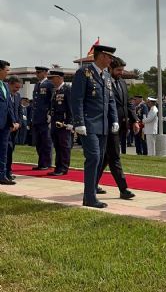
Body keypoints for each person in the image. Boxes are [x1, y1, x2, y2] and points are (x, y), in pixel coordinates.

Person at [71, 44, 119, 208]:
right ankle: (90, 197)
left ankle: (89, 195)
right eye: (109, 56)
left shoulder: (106, 76)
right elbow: (76, 99)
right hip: (89, 124)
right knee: (93, 158)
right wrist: (79, 122)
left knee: (99, 161)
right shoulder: (83, 73)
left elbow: (110, 100)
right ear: (100, 56)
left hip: (104, 125)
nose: (111, 60)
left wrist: (114, 120)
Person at [98, 56, 139, 199]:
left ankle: (92, 184)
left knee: (106, 158)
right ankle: (123, 189)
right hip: (108, 125)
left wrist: (134, 121)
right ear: (110, 68)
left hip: (121, 124)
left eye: (122, 70)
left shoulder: (122, 83)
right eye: (118, 70)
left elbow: (127, 103)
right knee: (114, 156)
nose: (121, 72)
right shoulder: (104, 80)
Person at [48, 70, 73, 176]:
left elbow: (71, 107)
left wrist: (71, 122)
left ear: (59, 78)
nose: (52, 81)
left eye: (53, 78)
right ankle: (58, 167)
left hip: (63, 123)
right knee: (57, 145)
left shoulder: (67, 89)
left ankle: (63, 168)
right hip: (55, 122)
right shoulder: (56, 90)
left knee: (64, 146)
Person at [32, 66, 53, 170]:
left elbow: (51, 100)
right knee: (38, 142)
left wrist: (50, 114)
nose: (37, 74)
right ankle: (41, 162)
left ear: (45, 73)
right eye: (36, 72)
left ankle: (46, 163)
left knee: (46, 141)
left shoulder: (49, 84)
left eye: (39, 72)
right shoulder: (37, 85)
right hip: (37, 117)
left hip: (45, 117)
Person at [0, 60, 18, 185]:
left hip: (5, 125)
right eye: (6, 70)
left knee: (3, 151)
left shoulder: (5, 85)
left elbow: (9, 106)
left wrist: (13, 122)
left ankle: (2, 175)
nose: (8, 73)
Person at [6, 75, 22, 180]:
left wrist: (18, 124)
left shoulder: (17, 96)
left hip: (15, 128)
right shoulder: (4, 94)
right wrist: (11, 125)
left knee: (11, 150)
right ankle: (4, 172)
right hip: (6, 128)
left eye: (18, 88)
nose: (17, 90)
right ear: (10, 84)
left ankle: (8, 171)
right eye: (15, 87)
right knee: (6, 150)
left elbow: (20, 111)